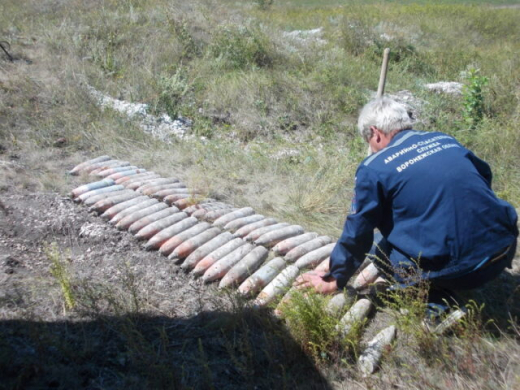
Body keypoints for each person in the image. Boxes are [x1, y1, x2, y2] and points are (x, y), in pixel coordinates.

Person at [294, 97, 518, 301]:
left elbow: (358, 231)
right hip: (505, 246)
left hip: (465, 272)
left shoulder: (374, 168)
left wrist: (336, 278)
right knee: (387, 241)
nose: (370, 148)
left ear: (376, 133)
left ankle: (438, 304)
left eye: (368, 141)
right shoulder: (444, 139)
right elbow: (484, 176)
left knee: (381, 254)